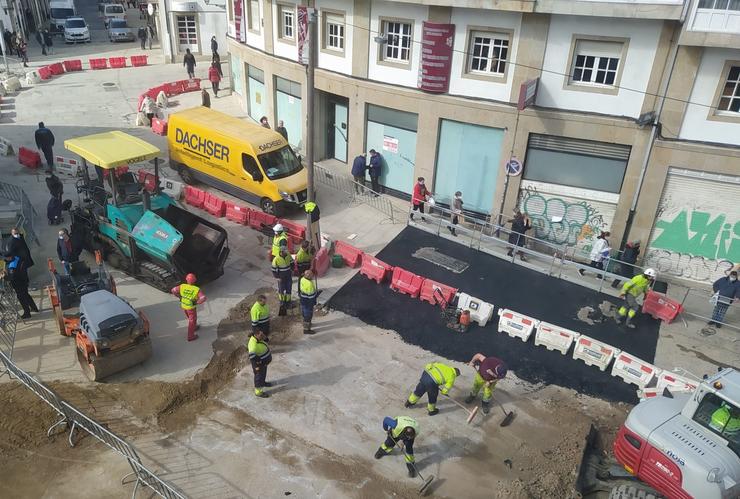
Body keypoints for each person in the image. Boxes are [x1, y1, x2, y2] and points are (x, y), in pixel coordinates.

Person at [170, 273, 206, 341]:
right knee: (192, 320)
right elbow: (203, 298)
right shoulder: (196, 289)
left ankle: (194, 327)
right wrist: (197, 302)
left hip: (183, 305)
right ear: (195, 280)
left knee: (189, 317)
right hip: (191, 308)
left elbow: (173, 290)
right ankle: (191, 336)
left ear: (186, 279)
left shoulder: (182, 286)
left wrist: (179, 296)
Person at [2, 254, 38, 319]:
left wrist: (4, 276)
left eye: (6, 258)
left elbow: (11, 277)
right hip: (24, 279)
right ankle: (34, 308)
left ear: (9, 257)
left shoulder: (12, 265)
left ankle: (27, 313)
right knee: (26, 294)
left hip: (18, 283)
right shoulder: (17, 258)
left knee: (21, 297)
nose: (5, 259)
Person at [248, 329, 272, 398]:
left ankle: (263, 383)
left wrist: (264, 337)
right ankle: (258, 392)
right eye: (260, 335)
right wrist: (256, 367)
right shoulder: (253, 345)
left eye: (262, 334)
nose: (262, 336)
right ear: (256, 335)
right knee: (259, 376)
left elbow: (267, 340)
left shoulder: (259, 338)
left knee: (263, 373)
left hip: (264, 363)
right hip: (259, 364)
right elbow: (252, 357)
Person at [272, 246, 294, 316]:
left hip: (288, 275)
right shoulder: (276, 259)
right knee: (281, 290)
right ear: (281, 252)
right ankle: (282, 302)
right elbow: (274, 269)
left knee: (289, 288)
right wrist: (277, 277)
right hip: (281, 277)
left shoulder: (288, 256)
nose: (286, 253)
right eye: (285, 252)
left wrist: (292, 270)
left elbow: (292, 262)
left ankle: (288, 301)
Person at [299, 270, 318, 335]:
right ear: (309, 276)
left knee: (304, 314)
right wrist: (314, 303)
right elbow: (311, 297)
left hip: (303, 300)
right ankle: (306, 330)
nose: (313, 276)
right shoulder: (309, 284)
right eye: (312, 275)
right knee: (308, 316)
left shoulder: (302, 279)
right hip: (308, 303)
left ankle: (306, 323)